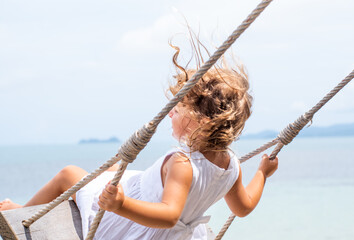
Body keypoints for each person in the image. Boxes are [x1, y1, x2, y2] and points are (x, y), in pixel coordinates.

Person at [0, 46, 278, 240]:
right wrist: (262, 174)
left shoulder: (182, 163)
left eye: (178, 109)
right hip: (166, 225)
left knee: (69, 175)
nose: (171, 112)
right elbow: (243, 208)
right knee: (109, 174)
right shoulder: (231, 166)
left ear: (201, 122)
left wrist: (121, 205)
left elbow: (169, 215)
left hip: (132, 229)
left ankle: (24, 213)